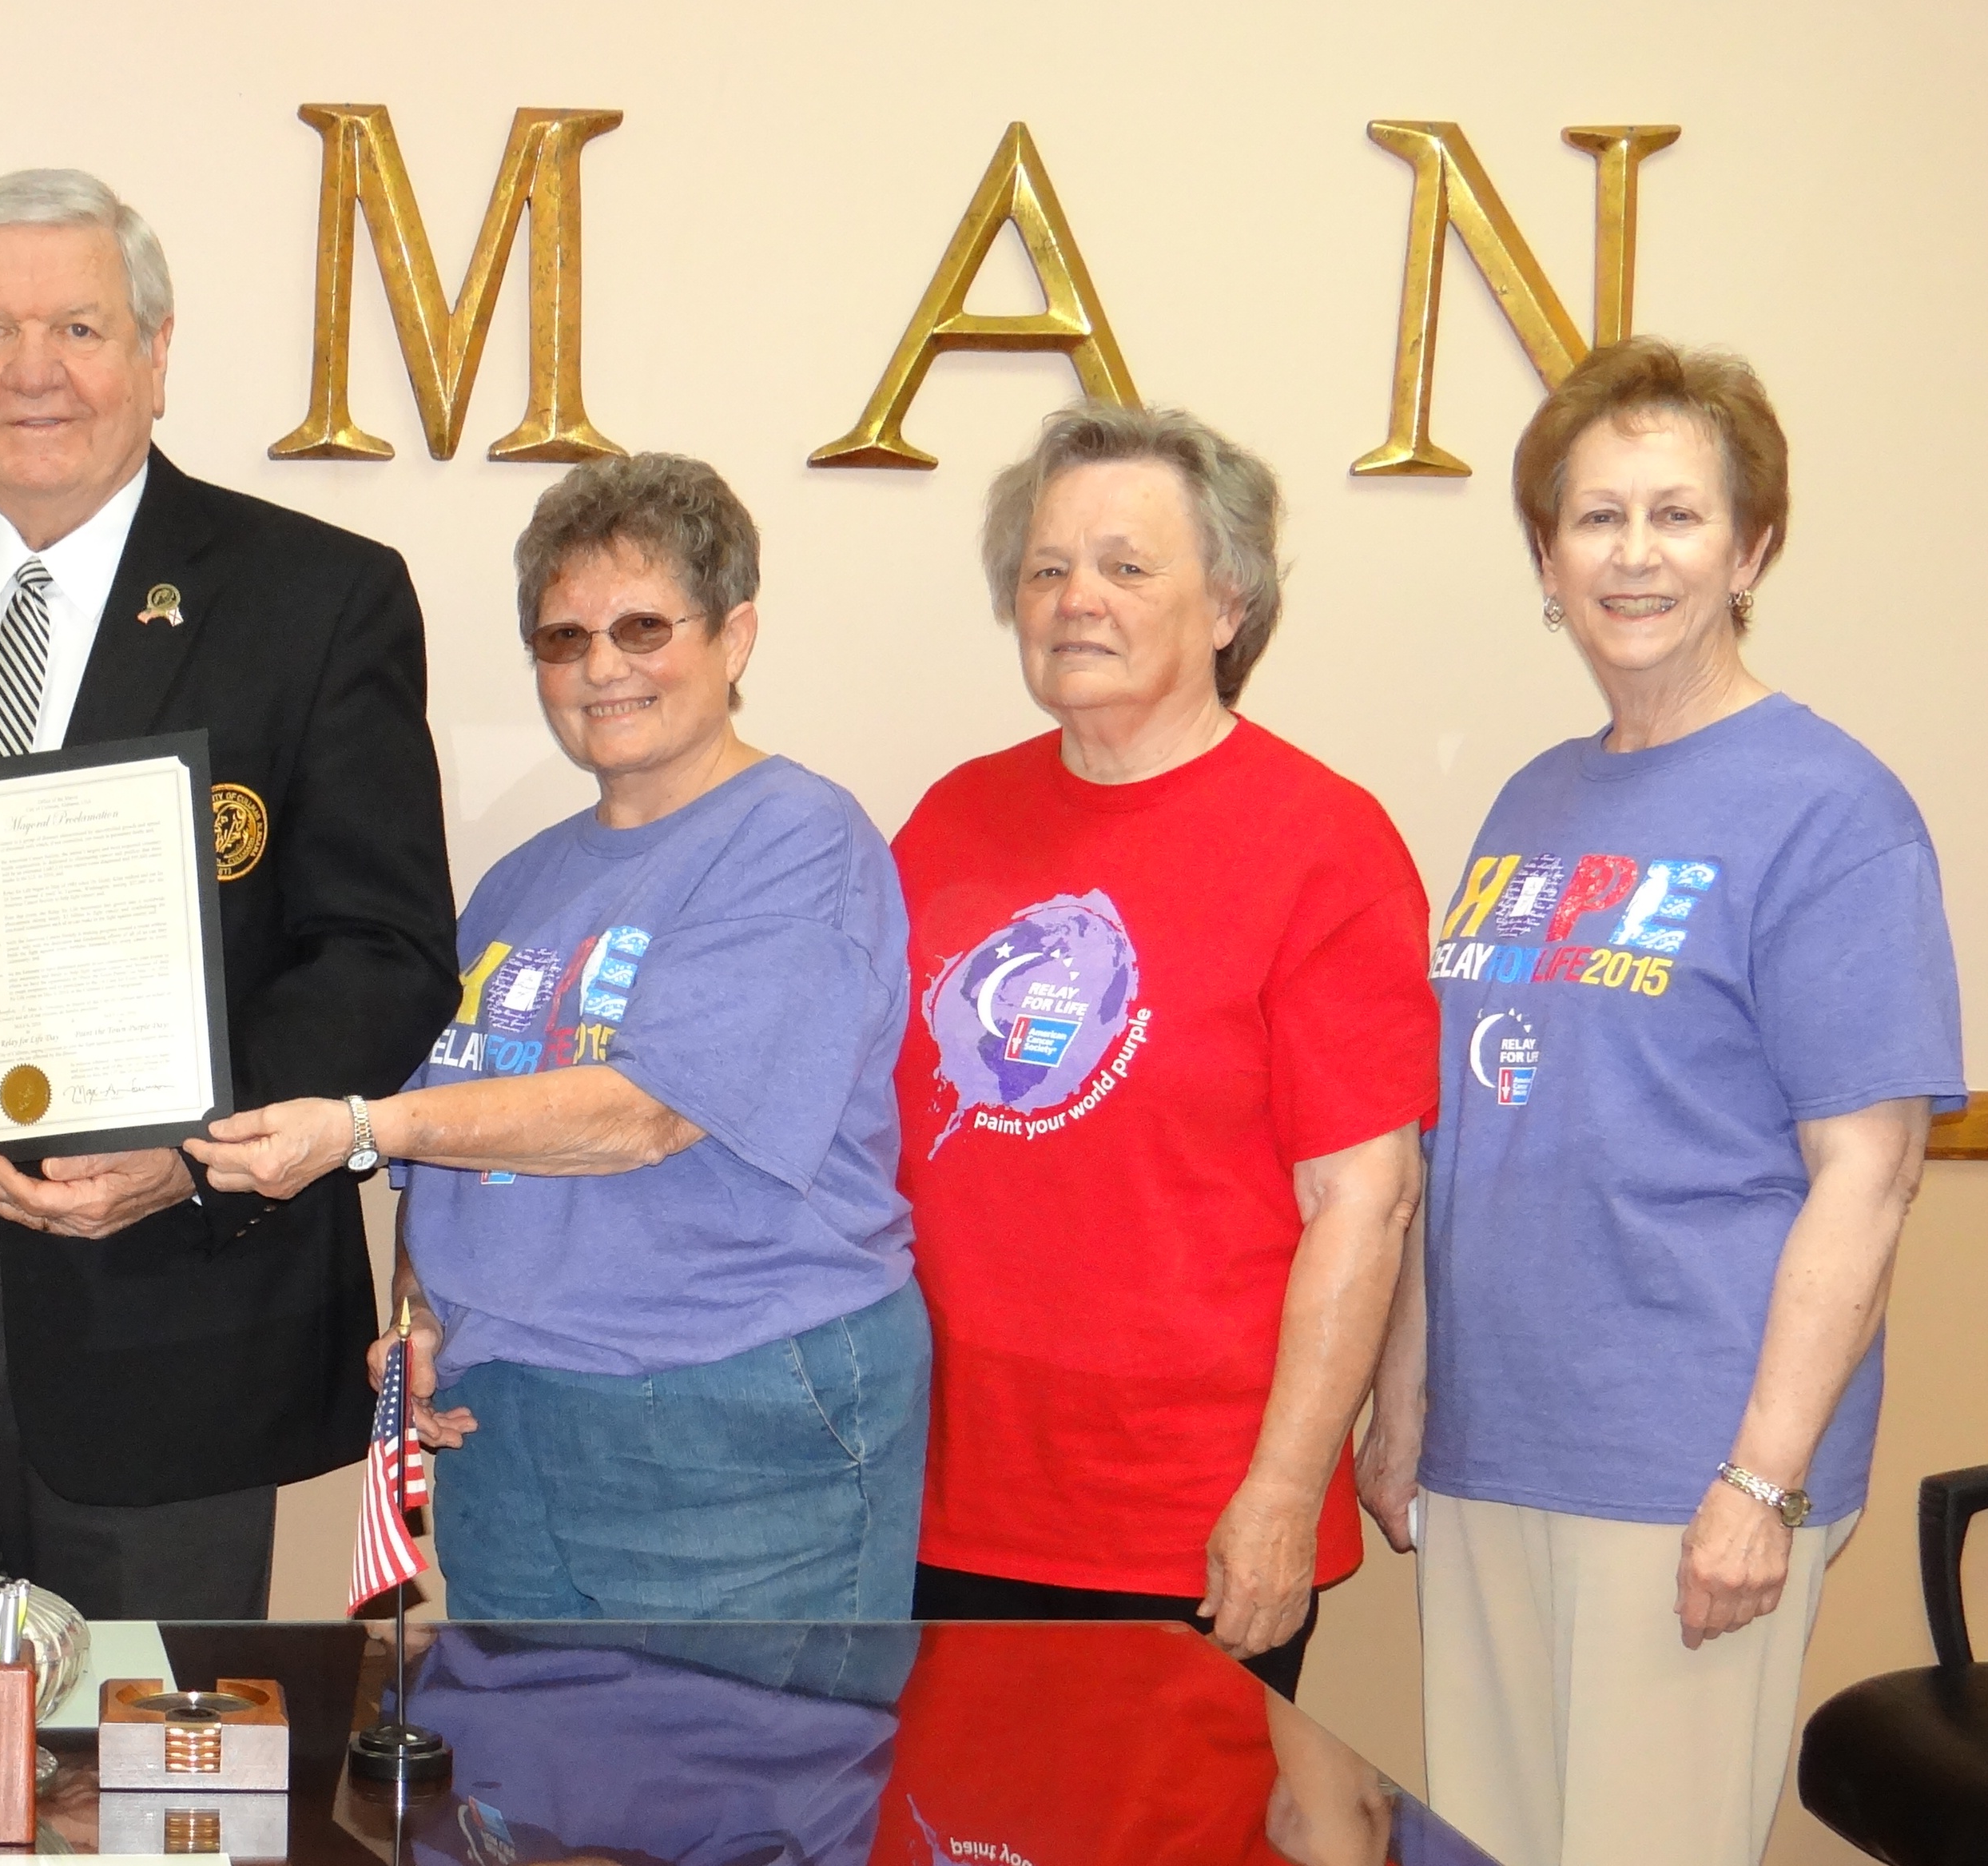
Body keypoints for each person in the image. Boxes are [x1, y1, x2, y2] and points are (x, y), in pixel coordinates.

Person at [0, 168, 459, 1621]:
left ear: (158, 356)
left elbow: (382, 953)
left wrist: (191, 1155)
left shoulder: (319, 595)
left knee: (144, 1802)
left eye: (81, 330)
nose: (33, 371)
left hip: (162, 1302)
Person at [1358, 338, 1958, 1866]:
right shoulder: (1532, 800)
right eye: (1595, 517)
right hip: (1501, 1444)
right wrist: (1409, 1392)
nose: (1634, 555)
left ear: (1751, 547)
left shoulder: (1833, 810)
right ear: (1546, 558)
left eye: (1678, 516)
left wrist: (1761, 1480)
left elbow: (1869, 1178)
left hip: (1683, 1462)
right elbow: (1468, 1132)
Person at [191, 453, 927, 1621]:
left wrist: (358, 1129)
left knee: (737, 1794)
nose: (602, 668)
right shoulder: (516, 886)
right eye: (562, 638)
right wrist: (420, 1320)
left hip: (727, 1428)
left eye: (642, 626)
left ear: (734, 637)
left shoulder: (798, 838)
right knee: (524, 1798)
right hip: (509, 1425)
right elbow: (457, 1134)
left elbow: (645, 1114)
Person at [892, 403, 1434, 1699]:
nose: (1078, 599)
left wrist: (1282, 1496)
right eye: (1046, 568)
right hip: (943, 1497)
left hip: (1184, 1519)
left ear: (1231, 605)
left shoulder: (1327, 844)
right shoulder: (952, 822)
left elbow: (1367, 1200)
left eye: (1128, 567)